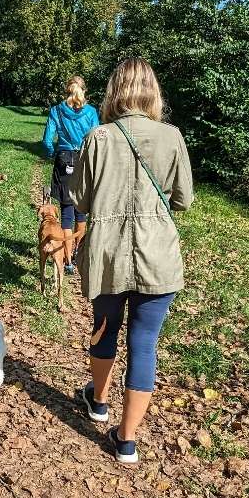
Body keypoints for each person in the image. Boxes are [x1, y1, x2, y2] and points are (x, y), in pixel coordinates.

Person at [70, 57, 194, 464]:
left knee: (103, 327)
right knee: (144, 344)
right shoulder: (172, 137)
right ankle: (125, 440)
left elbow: (80, 200)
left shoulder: (98, 137)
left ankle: (99, 401)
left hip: (106, 254)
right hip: (157, 255)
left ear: (114, 91)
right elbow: (183, 201)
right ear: (153, 92)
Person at [42, 75, 100, 274]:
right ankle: (79, 254)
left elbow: (47, 141)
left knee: (66, 211)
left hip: (64, 159)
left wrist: (52, 154)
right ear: (84, 90)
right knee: (81, 211)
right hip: (84, 159)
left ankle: (67, 261)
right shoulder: (91, 112)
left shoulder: (56, 111)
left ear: (67, 90)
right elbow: (97, 139)